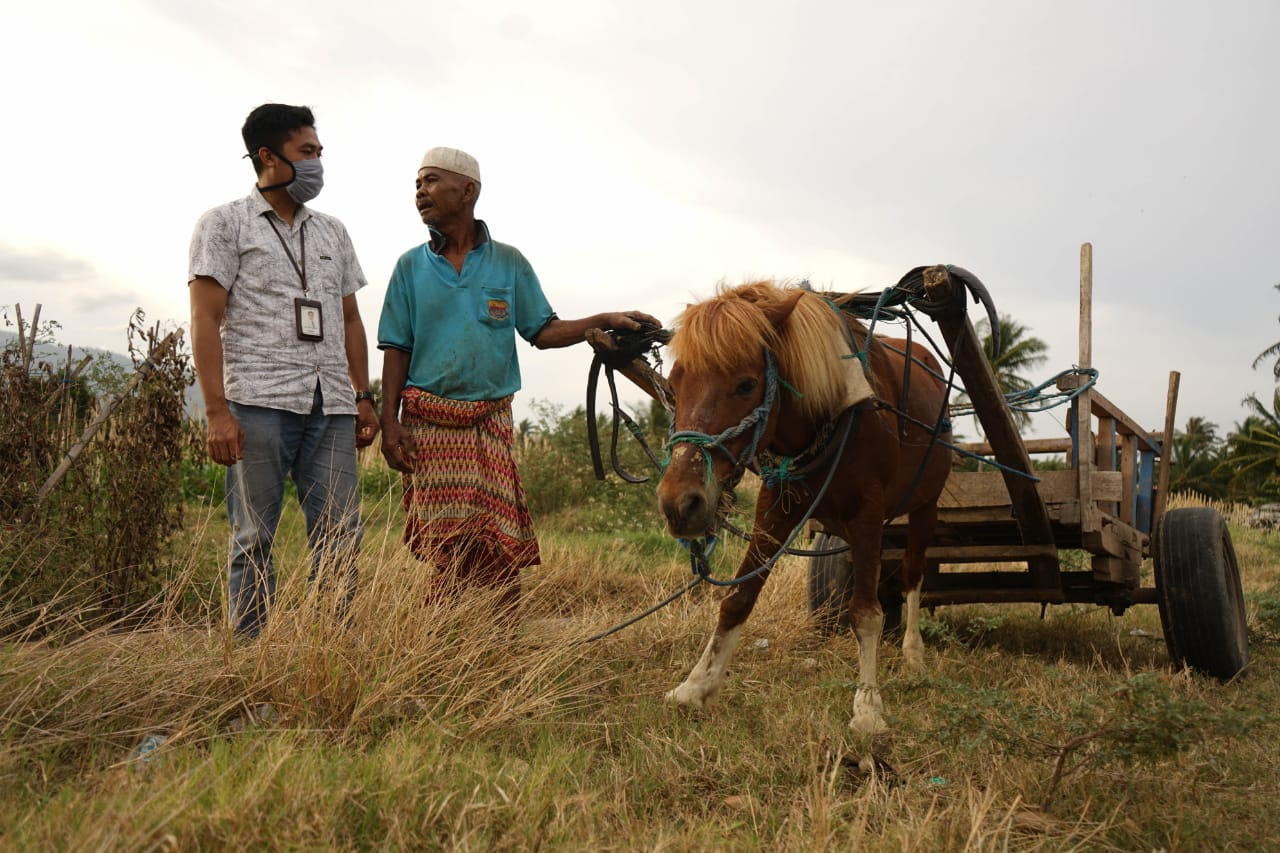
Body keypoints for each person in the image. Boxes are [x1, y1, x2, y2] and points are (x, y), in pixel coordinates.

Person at [377, 147, 658, 617]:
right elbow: (396, 349)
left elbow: (543, 331)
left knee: (499, 541)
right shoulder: (410, 267)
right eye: (416, 185)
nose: (420, 192)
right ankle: (440, 640)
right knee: (451, 543)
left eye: (430, 181)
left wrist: (604, 319)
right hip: (429, 425)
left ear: (467, 191)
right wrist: (389, 423)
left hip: (490, 422)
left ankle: (497, 638)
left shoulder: (508, 263)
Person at [189, 103, 380, 637]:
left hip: (332, 406)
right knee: (254, 537)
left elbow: (349, 319)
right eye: (308, 152)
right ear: (268, 156)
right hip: (258, 403)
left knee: (342, 532)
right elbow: (205, 317)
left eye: (320, 152)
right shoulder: (224, 224)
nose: (318, 163)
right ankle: (251, 659)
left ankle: (331, 651)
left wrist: (362, 397)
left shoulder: (333, 233)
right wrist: (216, 412)